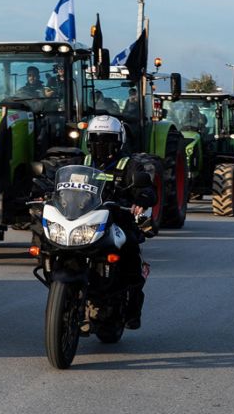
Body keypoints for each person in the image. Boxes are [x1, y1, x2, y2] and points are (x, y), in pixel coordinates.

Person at [84, 115, 157, 329]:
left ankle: (133, 308)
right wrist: (45, 191)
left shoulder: (129, 165)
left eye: (107, 138)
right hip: (85, 220)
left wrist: (142, 199)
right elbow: (60, 181)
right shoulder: (82, 162)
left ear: (119, 140)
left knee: (131, 255)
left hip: (118, 219)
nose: (100, 143)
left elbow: (147, 189)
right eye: (96, 137)